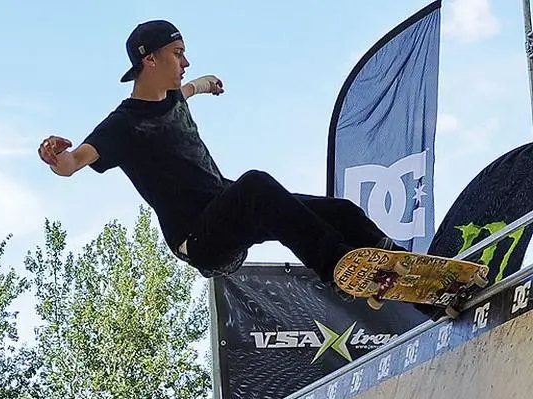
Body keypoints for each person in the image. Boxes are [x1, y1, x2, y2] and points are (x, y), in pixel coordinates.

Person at [37, 20, 434, 316]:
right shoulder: (122, 125)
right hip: (199, 239)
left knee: (339, 211)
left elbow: (191, 89)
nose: (186, 62)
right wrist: (57, 155)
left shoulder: (176, 97)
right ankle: (338, 268)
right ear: (150, 58)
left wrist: (209, 84)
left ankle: (403, 267)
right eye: (178, 54)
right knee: (257, 185)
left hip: (229, 211)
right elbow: (75, 163)